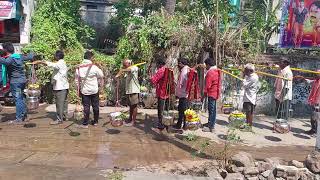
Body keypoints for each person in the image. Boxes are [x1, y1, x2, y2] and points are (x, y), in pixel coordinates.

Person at [0, 42, 34, 124]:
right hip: (22, 81)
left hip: (16, 83)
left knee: (18, 99)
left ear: (6, 50)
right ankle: (24, 116)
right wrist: (32, 53)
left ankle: (19, 118)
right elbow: (30, 56)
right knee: (21, 98)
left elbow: (5, 62)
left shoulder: (10, 59)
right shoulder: (18, 56)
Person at [75, 51, 104, 128]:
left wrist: (78, 89)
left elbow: (77, 80)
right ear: (91, 58)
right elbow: (101, 75)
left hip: (85, 90)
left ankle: (85, 123)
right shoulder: (94, 67)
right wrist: (99, 67)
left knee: (86, 107)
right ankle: (95, 121)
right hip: (94, 90)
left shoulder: (79, 67)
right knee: (95, 106)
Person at [40, 50, 69, 125]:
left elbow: (54, 65)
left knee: (59, 104)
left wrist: (44, 62)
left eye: (55, 55)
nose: (54, 56)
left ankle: (59, 119)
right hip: (64, 86)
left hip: (60, 87)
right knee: (64, 103)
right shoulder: (63, 62)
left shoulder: (60, 63)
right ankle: (64, 116)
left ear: (57, 56)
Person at [202, 58, 221, 132]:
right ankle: (210, 123)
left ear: (208, 65)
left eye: (206, 65)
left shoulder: (210, 72)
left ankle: (211, 127)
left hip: (212, 93)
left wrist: (203, 95)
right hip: (215, 93)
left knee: (211, 110)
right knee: (213, 110)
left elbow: (207, 86)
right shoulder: (217, 71)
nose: (205, 67)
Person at [151, 58, 169, 131]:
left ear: (159, 64)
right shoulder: (167, 69)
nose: (157, 65)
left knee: (160, 109)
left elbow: (154, 80)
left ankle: (161, 123)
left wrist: (151, 77)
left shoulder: (161, 70)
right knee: (165, 109)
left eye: (157, 64)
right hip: (166, 92)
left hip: (162, 92)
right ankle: (165, 122)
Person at [122, 59, 140, 126]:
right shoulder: (128, 69)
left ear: (129, 63)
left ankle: (133, 121)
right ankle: (130, 119)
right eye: (123, 65)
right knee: (130, 106)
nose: (124, 66)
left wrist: (122, 70)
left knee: (134, 106)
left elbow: (129, 70)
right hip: (129, 91)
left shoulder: (134, 67)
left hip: (134, 90)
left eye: (124, 65)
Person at [173, 58, 190, 130]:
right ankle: (183, 124)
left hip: (183, 94)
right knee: (184, 110)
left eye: (179, 63)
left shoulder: (184, 71)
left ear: (182, 64)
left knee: (181, 110)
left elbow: (180, 84)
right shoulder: (187, 69)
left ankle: (180, 125)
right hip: (185, 93)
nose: (178, 65)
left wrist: (177, 93)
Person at [242, 64, 260, 128]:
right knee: (248, 111)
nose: (245, 72)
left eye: (246, 70)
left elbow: (245, 85)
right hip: (248, 96)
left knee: (249, 112)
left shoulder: (253, 77)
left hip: (250, 97)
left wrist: (243, 77)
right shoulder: (250, 76)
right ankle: (247, 124)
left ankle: (249, 125)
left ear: (250, 71)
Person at [304, 69, 320, 135]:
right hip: (314, 101)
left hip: (318, 102)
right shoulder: (316, 81)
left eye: (317, 74)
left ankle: (315, 131)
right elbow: (312, 81)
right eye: (315, 73)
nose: (315, 75)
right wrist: (309, 81)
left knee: (315, 117)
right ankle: (313, 130)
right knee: (313, 117)